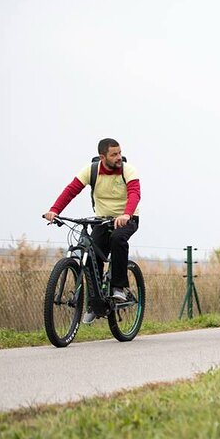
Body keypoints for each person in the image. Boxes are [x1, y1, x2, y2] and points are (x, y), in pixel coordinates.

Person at [43, 138, 141, 324]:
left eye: (120, 153)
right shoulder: (92, 170)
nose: (119, 157)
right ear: (102, 157)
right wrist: (55, 210)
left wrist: (127, 214)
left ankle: (118, 287)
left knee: (118, 240)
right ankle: (95, 303)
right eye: (114, 154)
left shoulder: (128, 171)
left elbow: (135, 193)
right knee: (90, 254)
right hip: (102, 220)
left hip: (127, 218)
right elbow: (71, 190)